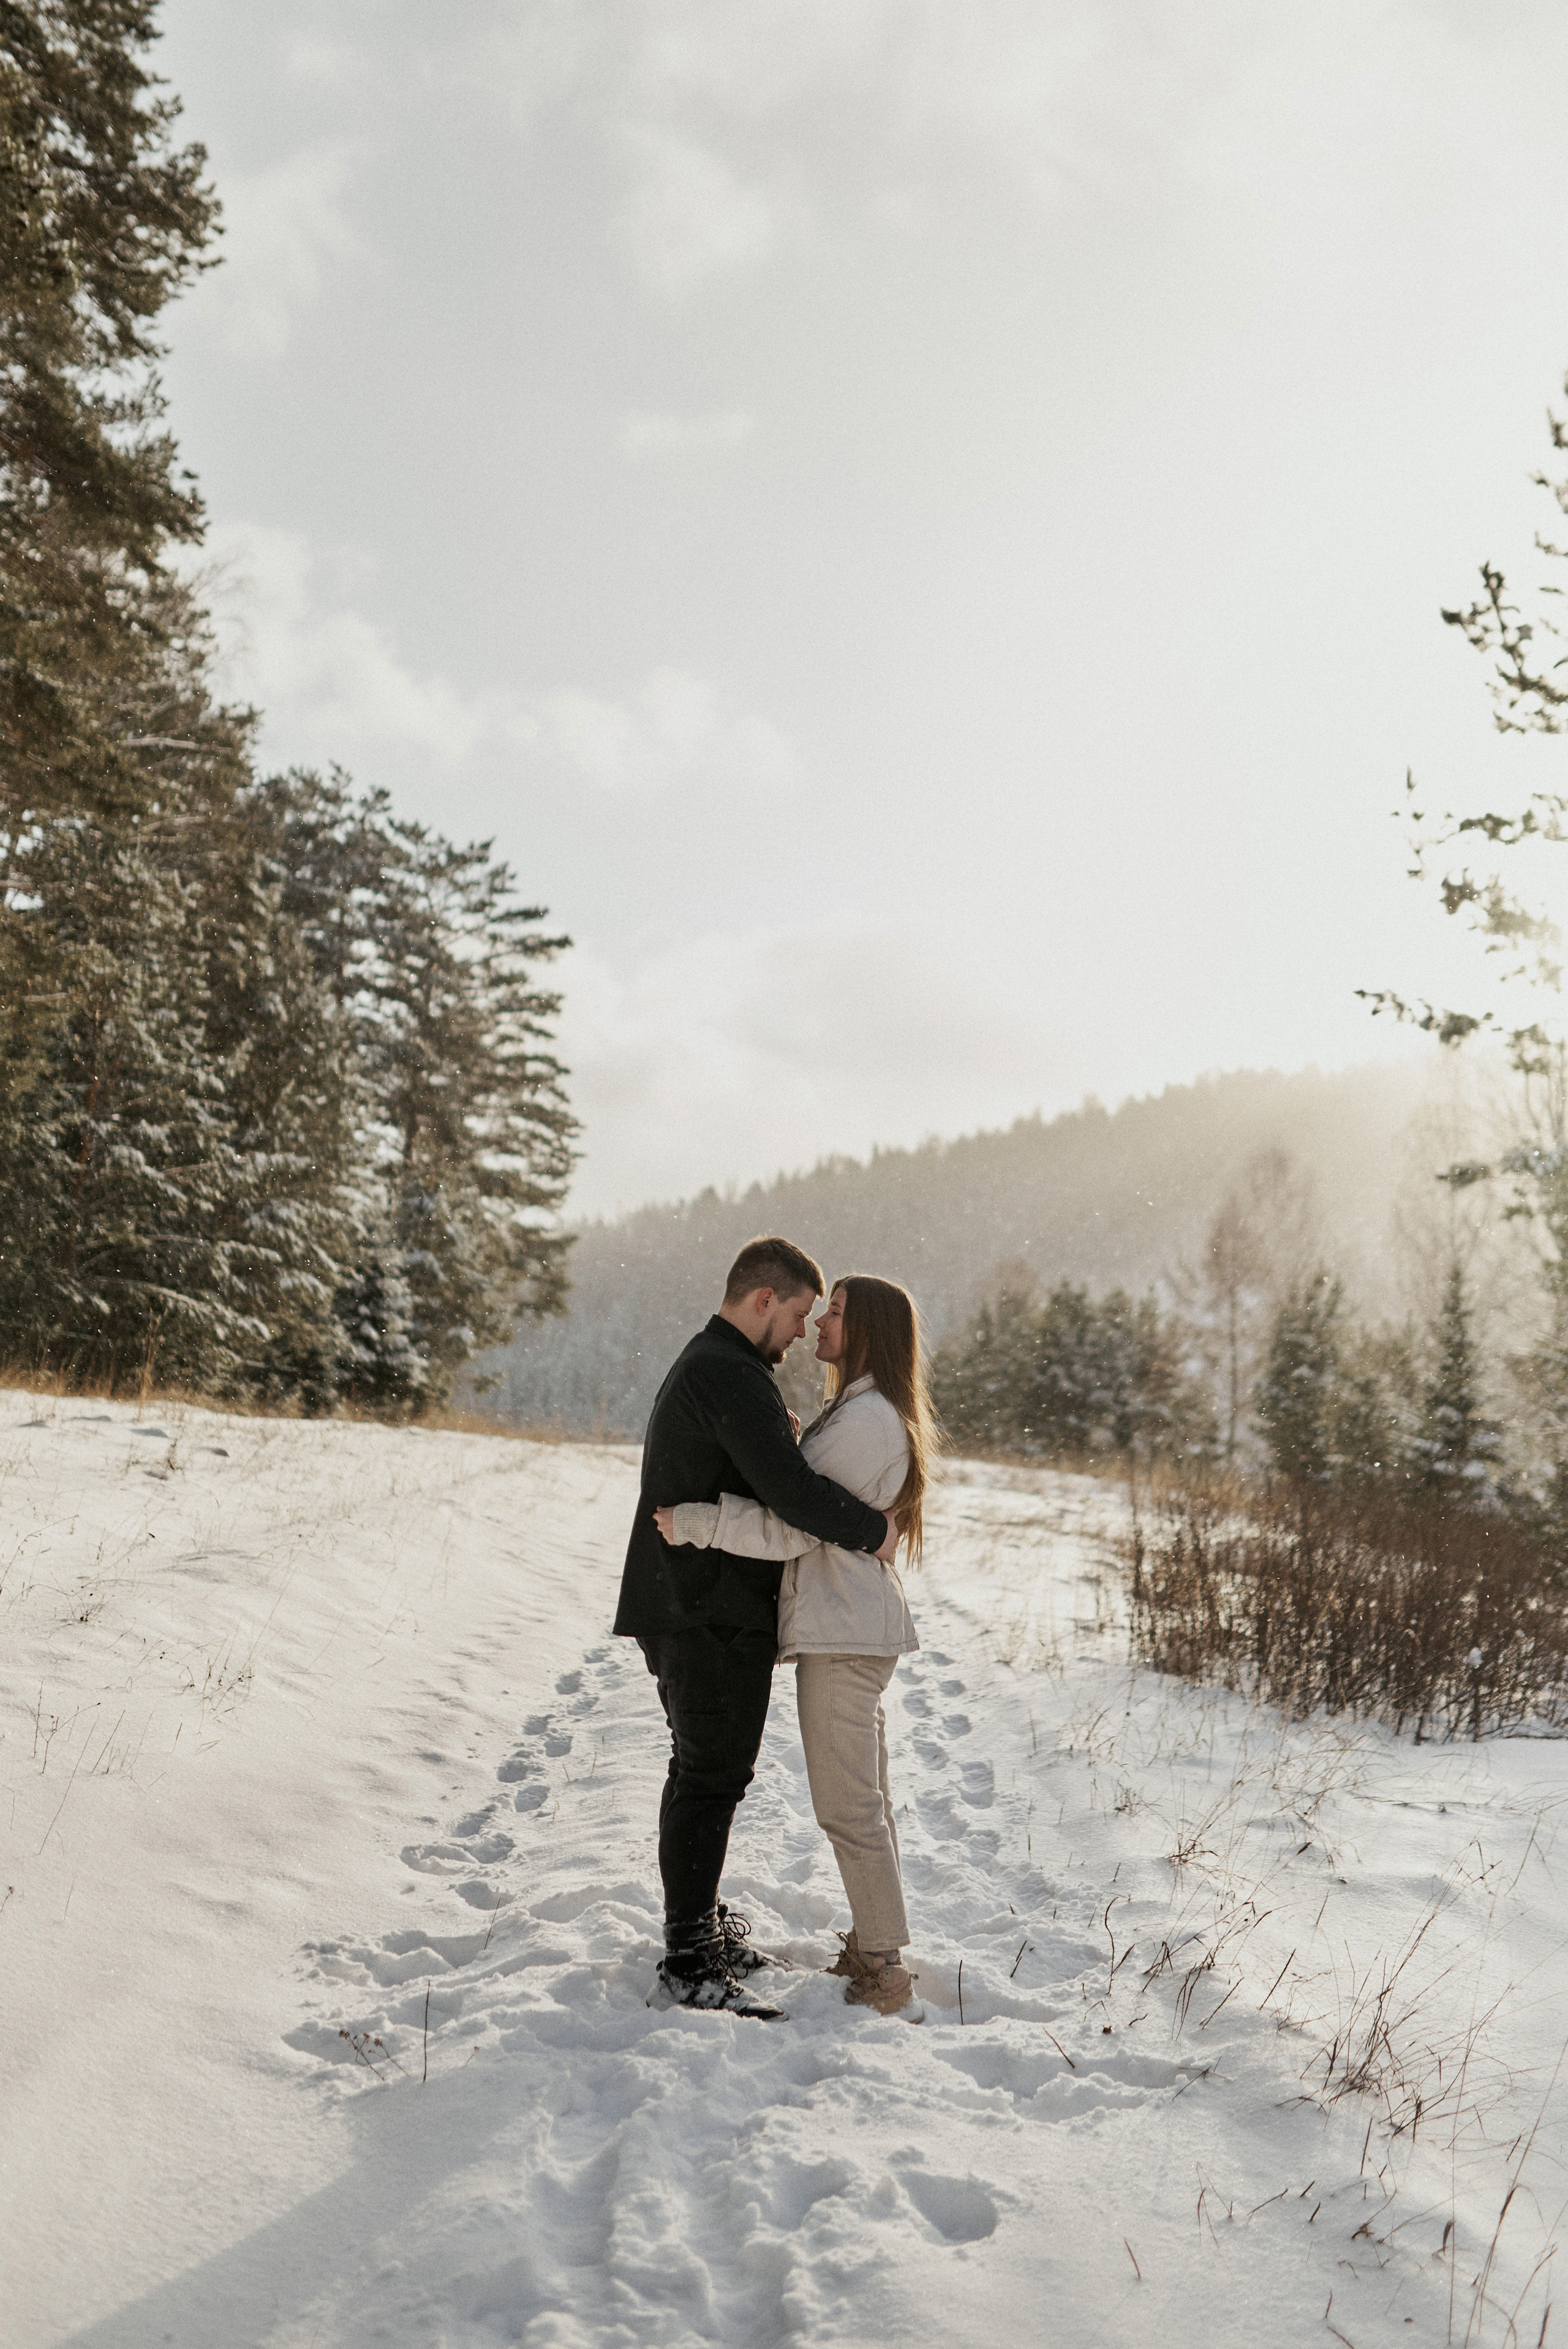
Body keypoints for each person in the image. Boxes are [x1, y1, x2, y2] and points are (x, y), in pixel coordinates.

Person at [614, 1235, 899, 2019]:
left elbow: (756, 1466)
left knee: (706, 1775)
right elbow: (791, 1493)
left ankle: (698, 1929)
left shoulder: (724, 1370)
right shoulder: (729, 1373)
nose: (805, 1331)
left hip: (699, 1607)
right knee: (709, 1778)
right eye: (801, 1312)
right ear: (764, 1300)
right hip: (704, 1612)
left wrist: (776, 1431)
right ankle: (687, 1957)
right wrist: (873, 1531)